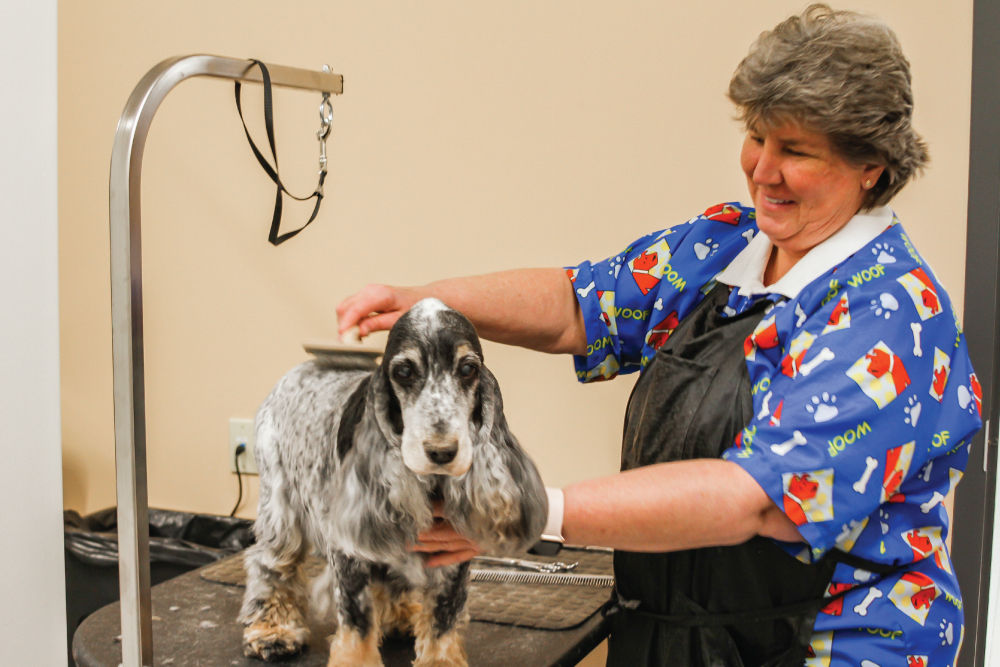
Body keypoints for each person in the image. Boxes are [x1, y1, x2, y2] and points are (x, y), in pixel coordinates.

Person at [336, 5, 981, 665]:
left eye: (796, 151)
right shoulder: (730, 243)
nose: (762, 169)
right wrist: (427, 302)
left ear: (871, 164)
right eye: (757, 136)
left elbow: (751, 497)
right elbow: (578, 304)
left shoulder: (889, 313)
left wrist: (531, 510)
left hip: (826, 647)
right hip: (687, 637)